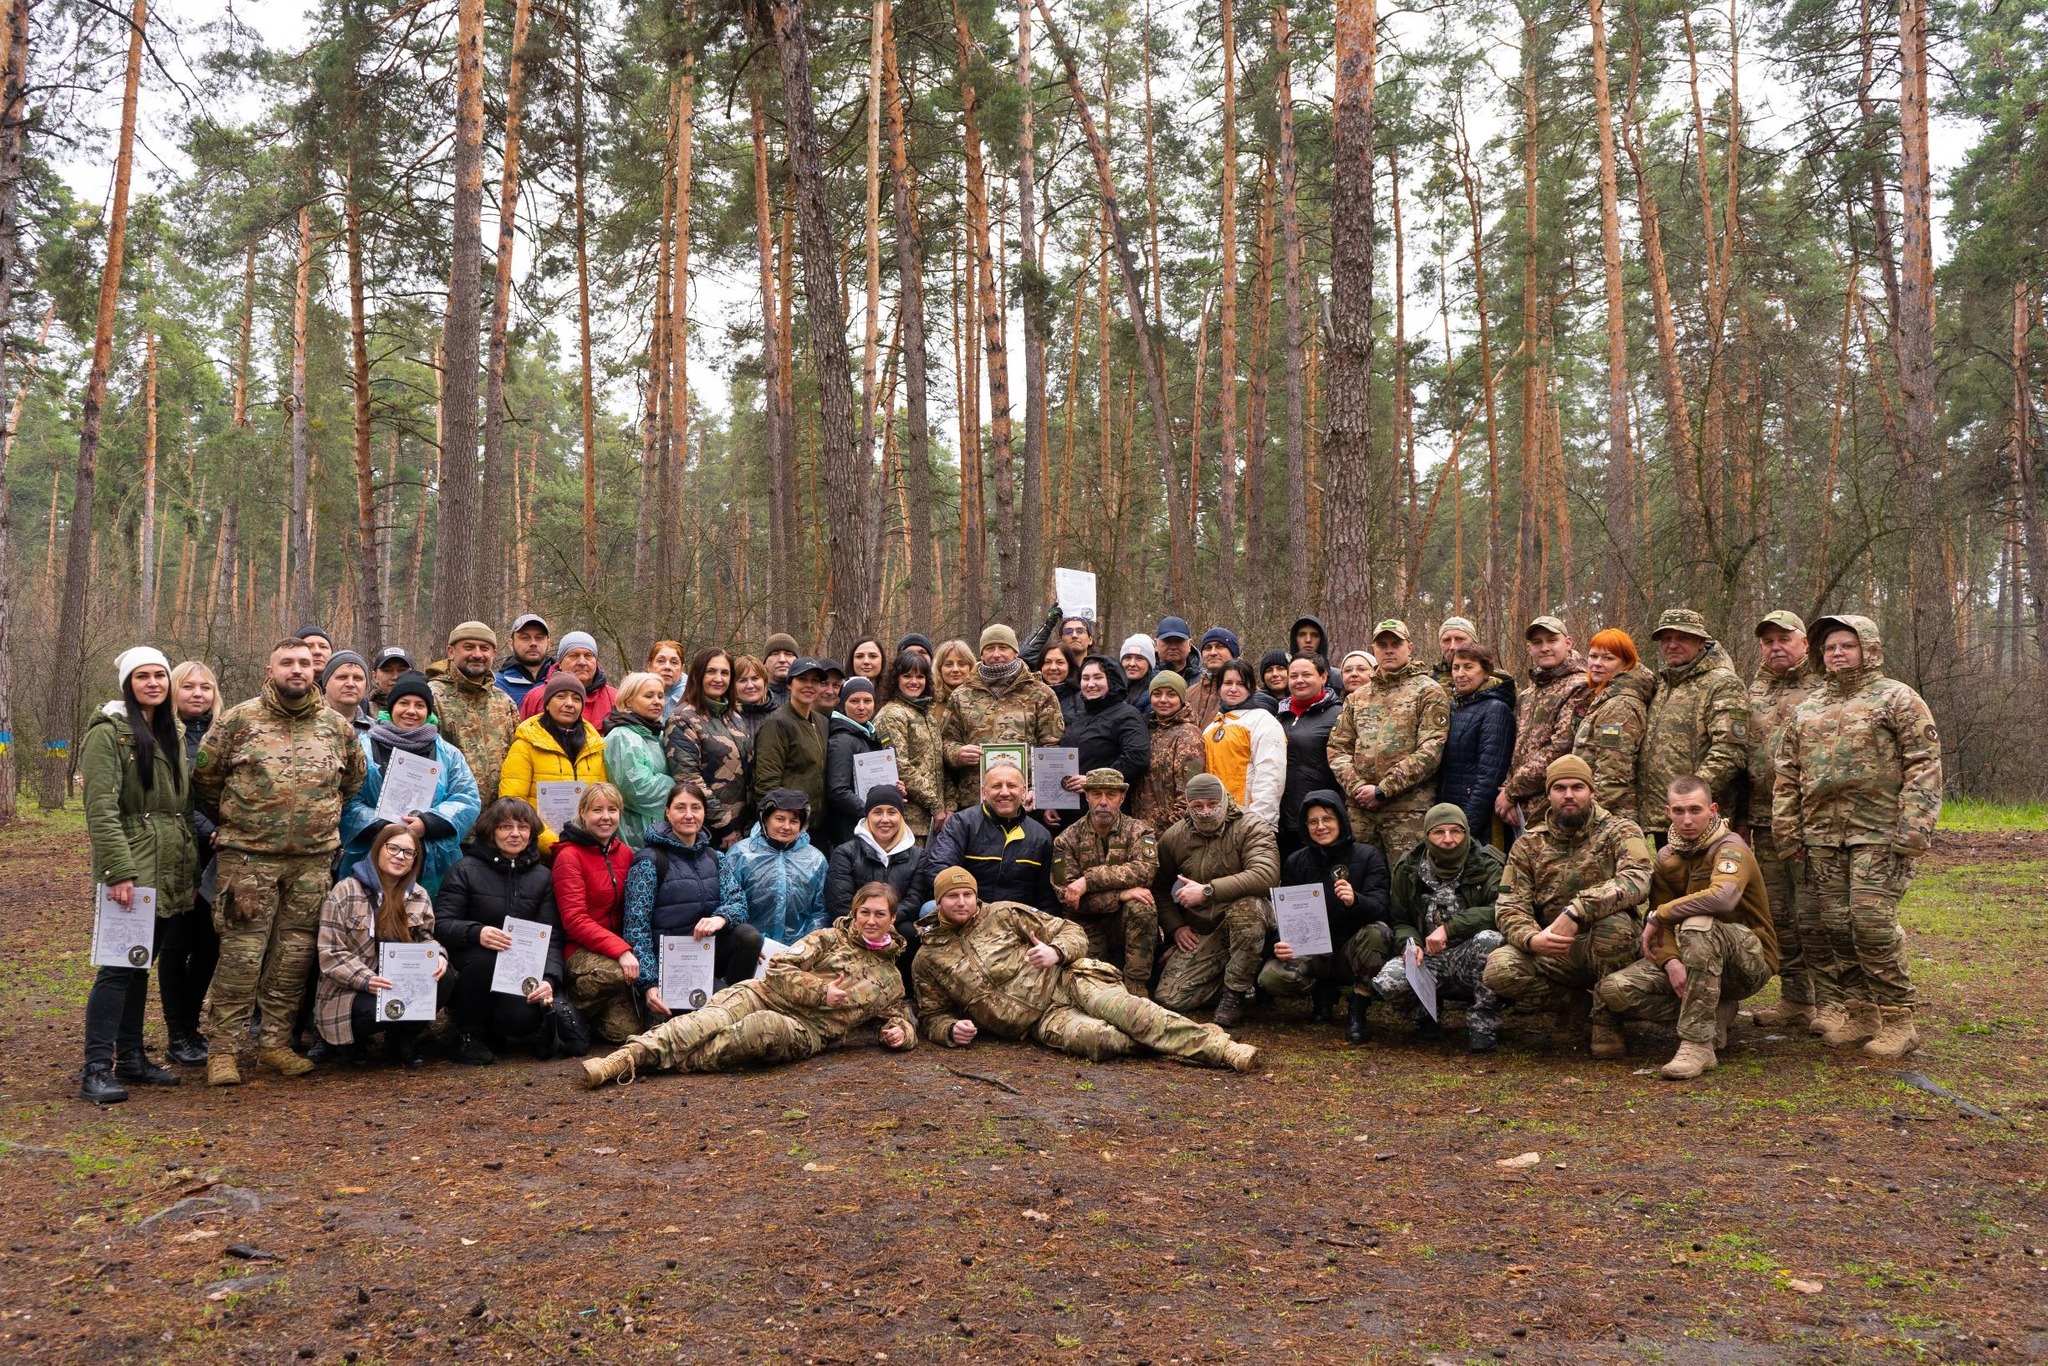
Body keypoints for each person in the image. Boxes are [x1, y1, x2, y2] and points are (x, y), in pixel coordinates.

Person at [193, 637, 368, 1086]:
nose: (297, 670)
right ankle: (223, 1051)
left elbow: (351, 783)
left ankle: (274, 1044)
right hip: (249, 862)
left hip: (312, 864)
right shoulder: (239, 721)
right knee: (241, 956)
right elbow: (206, 781)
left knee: (294, 956)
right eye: (287, 663)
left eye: (305, 664)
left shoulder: (336, 727)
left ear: (316, 672)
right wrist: (247, 825)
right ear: (269, 670)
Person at [1772, 614, 1942, 1059]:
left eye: (1847, 645)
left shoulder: (1897, 698)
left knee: (1870, 922)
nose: (1838, 653)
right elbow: (1787, 775)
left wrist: (1914, 828)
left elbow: (1923, 764)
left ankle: (1898, 1017)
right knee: (1834, 926)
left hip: (1880, 832)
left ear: (1868, 647)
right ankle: (1861, 1010)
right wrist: (1787, 831)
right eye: (1830, 647)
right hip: (1822, 836)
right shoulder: (1809, 708)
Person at [913, 867, 1258, 1071]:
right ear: (938, 901)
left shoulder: (1004, 913)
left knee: (1134, 1014)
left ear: (976, 897)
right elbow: (931, 1014)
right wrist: (949, 1029)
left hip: (1069, 980)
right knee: (1103, 1041)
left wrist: (1055, 951)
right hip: (1040, 1022)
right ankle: (1185, 1035)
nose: (961, 902)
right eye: (952, 896)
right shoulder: (928, 959)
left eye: (967, 895)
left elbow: (1070, 930)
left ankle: (1222, 1050)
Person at [580, 881, 917, 1087]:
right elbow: (779, 969)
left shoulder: (890, 978)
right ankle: (623, 1060)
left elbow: (897, 1017)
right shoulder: (828, 939)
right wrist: (821, 991)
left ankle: (670, 1061)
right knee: (704, 1020)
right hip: (764, 994)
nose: (871, 921)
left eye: (879, 914)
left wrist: (900, 1035)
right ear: (855, 913)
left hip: (805, 1028)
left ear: (892, 919)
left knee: (760, 1030)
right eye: (865, 913)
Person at [1596, 776, 1779, 1079]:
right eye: (1679, 811)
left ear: (1713, 809)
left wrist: (1662, 913)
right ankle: (1715, 1011)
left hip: (1747, 962)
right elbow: (1661, 924)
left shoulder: (1731, 848)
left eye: (1695, 810)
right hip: (1697, 959)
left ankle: (1697, 1044)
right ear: (1668, 812)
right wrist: (1669, 961)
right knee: (1615, 990)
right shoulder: (1668, 857)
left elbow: (1722, 898)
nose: (1687, 819)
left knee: (1697, 925)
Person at [78, 647, 198, 1103]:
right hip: (133, 864)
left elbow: (180, 809)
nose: (153, 683)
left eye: (160, 676)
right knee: (115, 969)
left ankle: (130, 1058)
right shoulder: (107, 734)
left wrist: (187, 866)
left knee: (139, 964)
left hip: (170, 864)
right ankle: (95, 1068)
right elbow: (101, 811)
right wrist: (118, 872)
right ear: (128, 684)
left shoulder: (171, 731)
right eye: (143, 676)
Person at [1481, 756, 1652, 1057]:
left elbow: (1637, 880)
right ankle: (1570, 1004)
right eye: (1559, 787)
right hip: (1553, 946)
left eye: (1577, 787)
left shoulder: (1620, 831)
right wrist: (1532, 939)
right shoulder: (1527, 844)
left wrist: (1577, 910)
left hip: (1608, 944)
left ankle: (1606, 1019)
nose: (1569, 794)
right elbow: (1509, 905)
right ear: (1548, 794)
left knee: (1613, 928)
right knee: (1499, 970)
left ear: (1592, 791)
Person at [433, 798, 565, 1064]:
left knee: (521, 1021)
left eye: (523, 827)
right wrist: (476, 933)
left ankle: (493, 1030)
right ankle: (467, 1034)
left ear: (532, 833)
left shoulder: (542, 877)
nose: (515, 834)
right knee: (485, 960)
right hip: (472, 964)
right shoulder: (464, 870)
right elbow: (441, 924)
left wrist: (549, 979)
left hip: (518, 969)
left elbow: (551, 936)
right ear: (491, 830)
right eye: (506, 827)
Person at [1744, 611, 1827, 1031]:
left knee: (1817, 913)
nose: (1776, 646)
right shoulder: (1752, 692)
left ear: (1804, 643)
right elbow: (1742, 760)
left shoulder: (1825, 688)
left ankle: (1834, 1003)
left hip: (1813, 823)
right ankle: (1797, 998)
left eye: (1784, 638)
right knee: (1779, 914)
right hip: (1763, 822)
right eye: (1768, 640)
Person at [623, 780, 769, 1015]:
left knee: (749, 937)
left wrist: (720, 918)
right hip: (673, 966)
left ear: (704, 813)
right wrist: (648, 984)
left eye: (696, 808)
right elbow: (635, 927)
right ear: (667, 813)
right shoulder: (650, 861)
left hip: (707, 955)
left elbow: (738, 901)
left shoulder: (714, 856)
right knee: (729, 1004)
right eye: (680, 808)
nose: (689, 815)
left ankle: (728, 1002)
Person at [1373, 803, 1507, 1052]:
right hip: (1429, 958)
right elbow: (1401, 919)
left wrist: (1450, 928)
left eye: (1456, 831)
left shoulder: (1487, 863)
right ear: (1426, 835)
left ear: (1467, 832)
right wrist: (1410, 945)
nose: (1448, 839)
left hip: (1471, 957)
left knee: (1491, 940)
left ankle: (1483, 1026)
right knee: (1388, 980)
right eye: (1439, 832)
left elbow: (1500, 909)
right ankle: (1426, 1015)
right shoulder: (1409, 867)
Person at [313, 823, 446, 1068]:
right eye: (393, 848)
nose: (400, 857)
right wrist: (367, 980)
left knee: (447, 979)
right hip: (351, 989)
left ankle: (401, 1040)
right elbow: (330, 953)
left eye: (408, 853)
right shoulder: (345, 891)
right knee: (368, 1011)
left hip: (399, 983)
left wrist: (437, 955)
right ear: (378, 849)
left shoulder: (419, 895)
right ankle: (353, 1042)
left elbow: (426, 937)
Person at [1259, 789, 1390, 1038]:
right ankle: (1322, 993)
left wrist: (1355, 901)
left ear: (1341, 819)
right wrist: (1279, 944)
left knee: (1378, 933)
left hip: (1352, 951)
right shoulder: (1296, 861)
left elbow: (1382, 908)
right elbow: (1284, 915)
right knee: (1271, 977)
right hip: (1314, 951)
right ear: (1305, 826)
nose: (1321, 826)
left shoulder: (1367, 855)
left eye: (1327, 818)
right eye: (1313, 821)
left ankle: (1358, 1007)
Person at [1153, 773, 1281, 1025]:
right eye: (1197, 806)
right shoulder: (1174, 837)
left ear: (1224, 799)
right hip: (1208, 928)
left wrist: (1207, 891)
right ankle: (1244, 977)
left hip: (1250, 918)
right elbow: (1158, 888)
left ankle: (1235, 993)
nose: (1206, 812)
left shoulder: (1252, 826)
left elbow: (1266, 875)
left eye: (1212, 804)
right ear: (1188, 806)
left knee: (1246, 909)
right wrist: (1175, 926)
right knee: (1170, 998)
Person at [339, 670, 482, 895]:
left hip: (431, 857)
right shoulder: (362, 748)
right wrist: (382, 825)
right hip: (371, 849)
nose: (411, 711)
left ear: (428, 711)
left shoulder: (449, 754)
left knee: (421, 918)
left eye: (420, 705)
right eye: (404, 703)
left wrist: (429, 823)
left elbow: (467, 797)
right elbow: (347, 797)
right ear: (391, 708)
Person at [1326, 620, 1450, 859]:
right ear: (1374, 649)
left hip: (1407, 811)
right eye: (1382, 644)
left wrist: (1383, 790)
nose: (1389, 649)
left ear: (1409, 647)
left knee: (1407, 884)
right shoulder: (1358, 697)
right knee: (1362, 882)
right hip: (1361, 810)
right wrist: (1358, 787)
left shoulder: (1428, 691)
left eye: (1396, 643)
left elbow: (1432, 749)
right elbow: (1337, 747)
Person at [1636, 607, 1748, 842]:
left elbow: (1730, 751)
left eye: (1682, 637)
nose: (1672, 644)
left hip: (1700, 819)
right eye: (1666, 639)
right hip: (1664, 818)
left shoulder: (1723, 683)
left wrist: (1691, 800)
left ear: (1701, 642)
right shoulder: (1665, 685)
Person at [1050, 768, 1161, 996]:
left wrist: (1088, 881)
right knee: (1094, 989)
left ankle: (1137, 986)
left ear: (1122, 798)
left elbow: (1145, 871)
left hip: (1123, 922)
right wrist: (1119, 895)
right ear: (1086, 796)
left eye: (1110, 795)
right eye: (1096, 794)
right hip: (1086, 923)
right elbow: (1068, 897)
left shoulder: (1141, 832)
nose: (1103, 802)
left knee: (1142, 906)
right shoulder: (1066, 840)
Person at [162, 659, 222, 1067]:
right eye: (188, 687)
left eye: (205, 687)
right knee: (177, 944)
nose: (198, 693)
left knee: (210, 943)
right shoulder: (164, 736)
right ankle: (177, 1031)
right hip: (182, 852)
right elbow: (179, 799)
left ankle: (192, 1025)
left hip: (221, 855)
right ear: (173, 692)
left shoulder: (224, 733)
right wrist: (211, 830)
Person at [940, 624, 1066, 811]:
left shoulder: (1040, 693)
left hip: (1026, 801)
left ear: (1015, 652)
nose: (996, 654)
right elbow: (945, 742)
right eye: (990, 648)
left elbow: (1052, 748)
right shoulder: (961, 695)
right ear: (981, 654)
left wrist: (1043, 793)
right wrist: (957, 753)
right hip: (974, 803)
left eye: (1003, 648)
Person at [554, 783, 642, 1044]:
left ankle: (594, 1012)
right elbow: (574, 920)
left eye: (612, 810)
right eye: (597, 810)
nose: (606, 817)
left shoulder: (624, 853)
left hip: (615, 952)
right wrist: (621, 950)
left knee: (626, 1033)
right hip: (580, 951)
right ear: (583, 813)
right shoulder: (569, 856)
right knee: (615, 973)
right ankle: (572, 1002)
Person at [911, 760, 1056, 912]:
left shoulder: (1041, 836)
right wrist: (970, 904)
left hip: (1018, 916)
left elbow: (1046, 895)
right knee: (929, 908)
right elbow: (939, 870)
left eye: (1012, 786)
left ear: (1024, 791)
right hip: (970, 913)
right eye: (996, 786)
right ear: (984, 792)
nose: (1005, 792)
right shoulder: (962, 824)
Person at [826, 788, 924, 995]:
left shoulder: (918, 856)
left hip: (895, 924)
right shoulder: (846, 853)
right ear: (867, 816)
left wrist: (884, 921)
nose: (885, 819)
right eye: (877, 812)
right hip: (854, 925)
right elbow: (840, 902)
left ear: (901, 816)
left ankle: (904, 995)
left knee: (910, 933)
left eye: (892, 812)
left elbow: (915, 899)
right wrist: (867, 921)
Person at [498, 673, 608, 853]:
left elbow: (603, 798)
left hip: (588, 846)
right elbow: (512, 803)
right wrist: (554, 843)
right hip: (537, 850)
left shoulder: (595, 746)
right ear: (547, 704)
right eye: (561, 696)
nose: (569, 703)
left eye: (576, 699)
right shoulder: (525, 745)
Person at [1497, 617, 1587, 833]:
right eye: (1537, 643)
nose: (1545, 648)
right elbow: (1514, 749)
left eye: (1551, 640)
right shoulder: (1528, 694)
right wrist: (1509, 792)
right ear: (1529, 648)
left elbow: (1561, 749)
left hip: (1557, 807)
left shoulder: (1581, 687)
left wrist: (1511, 792)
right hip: (1522, 809)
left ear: (1568, 642)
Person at [664, 647, 755, 849]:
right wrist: (724, 824)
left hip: (743, 826)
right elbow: (688, 778)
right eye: (711, 671)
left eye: (725, 673)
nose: (718, 678)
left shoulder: (735, 718)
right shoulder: (682, 718)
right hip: (708, 829)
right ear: (697, 675)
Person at [719, 789, 831, 945]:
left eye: (794, 821)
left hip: (800, 951)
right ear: (765, 819)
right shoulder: (741, 855)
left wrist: (808, 945)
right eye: (780, 819)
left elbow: (821, 910)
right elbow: (729, 904)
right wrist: (746, 942)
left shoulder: (815, 859)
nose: (786, 826)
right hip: (750, 949)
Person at [432, 621, 520, 804]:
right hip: (449, 816)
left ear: (494, 653)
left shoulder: (505, 703)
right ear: (451, 651)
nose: (477, 654)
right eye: (469, 647)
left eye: (484, 648)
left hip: (498, 822)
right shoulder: (432, 698)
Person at [1055, 656, 1152, 823]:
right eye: (1085, 678)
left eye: (1098, 677)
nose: (1090, 684)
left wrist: (1095, 780)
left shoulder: (1127, 715)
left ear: (1112, 680)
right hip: (1068, 815)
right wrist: (1050, 803)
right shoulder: (1075, 718)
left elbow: (1137, 757)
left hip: (1106, 812)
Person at [1573, 629, 1654, 822]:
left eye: (1608, 658)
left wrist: (1588, 815)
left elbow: (1613, 774)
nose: (1597, 664)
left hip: (1610, 818)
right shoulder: (1603, 696)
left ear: (1626, 664)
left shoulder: (1620, 706)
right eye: (1593, 656)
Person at [1439, 643, 1517, 841]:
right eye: (1456, 668)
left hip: (1478, 820)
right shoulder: (1455, 707)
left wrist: (1466, 829)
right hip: (1450, 811)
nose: (1460, 674)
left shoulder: (1495, 709)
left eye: (1468, 667)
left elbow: (1488, 776)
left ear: (1486, 672)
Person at [1274, 654, 1344, 853]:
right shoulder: (1279, 715)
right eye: (1293, 676)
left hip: (1321, 815)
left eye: (1306, 674)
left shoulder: (1337, 715)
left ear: (1323, 677)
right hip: (1283, 815)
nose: (1299, 680)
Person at [1202, 659, 1285, 826]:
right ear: (1219, 688)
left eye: (1240, 683)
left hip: (1248, 820)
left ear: (1251, 688)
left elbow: (1271, 774)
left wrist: (1259, 822)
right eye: (1227, 683)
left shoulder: (1262, 720)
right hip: (1215, 821)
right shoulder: (1211, 727)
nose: (1233, 689)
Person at [874, 650, 946, 837]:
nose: (914, 682)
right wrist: (935, 804)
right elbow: (899, 765)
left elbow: (938, 763)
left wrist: (947, 805)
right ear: (896, 679)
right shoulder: (892, 714)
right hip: (908, 821)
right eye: (907, 676)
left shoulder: (925, 714)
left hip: (933, 820)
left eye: (920, 676)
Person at [602, 672, 672, 847]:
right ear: (628, 701)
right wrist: (679, 786)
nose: (657, 701)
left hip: (660, 827)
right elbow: (637, 789)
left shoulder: (657, 734)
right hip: (635, 833)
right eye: (649, 696)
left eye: (661, 696)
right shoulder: (622, 736)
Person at [822, 676, 891, 849]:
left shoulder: (870, 736)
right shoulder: (842, 741)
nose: (861, 707)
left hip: (870, 827)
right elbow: (838, 791)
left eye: (867, 701)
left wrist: (893, 790)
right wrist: (873, 809)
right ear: (843, 703)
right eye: (854, 701)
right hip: (850, 832)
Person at [753, 657, 829, 810]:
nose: (809, 685)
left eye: (815, 680)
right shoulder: (776, 723)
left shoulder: (822, 722)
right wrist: (783, 820)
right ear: (789, 684)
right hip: (790, 820)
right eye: (802, 679)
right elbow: (767, 784)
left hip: (819, 821)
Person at [1134, 671, 1205, 829]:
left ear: (1181, 698)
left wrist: (1167, 829)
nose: (1163, 700)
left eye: (1171, 694)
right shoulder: (1147, 730)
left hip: (1169, 833)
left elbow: (1190, 793)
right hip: (1142, 830)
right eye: (1157, 694)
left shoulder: (1188, 735)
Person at [519, 631, 616, 726]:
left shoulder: (615, 698)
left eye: (588, 656)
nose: (582, 662)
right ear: (560, 663)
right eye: (574, 656)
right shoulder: (536, 697)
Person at [1185, 627, 1241, 728]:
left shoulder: (1247, 693)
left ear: (1233, 653)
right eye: (1208, 648)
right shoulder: (1189, 694)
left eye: (1220, 647)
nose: (1213, 652)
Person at [496, 612, 554, 709]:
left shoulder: (563, 682)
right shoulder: (496, 685)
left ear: (549, 644)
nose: (533, 643)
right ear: (511, 644)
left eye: (539, 638)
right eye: (525, 638)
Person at [730, 654, 777, 744]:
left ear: (765, 682)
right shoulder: (726, 718)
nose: (750, 686)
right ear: (733, 686)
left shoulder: (779, 717)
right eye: (742, 680)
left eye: (755, 678)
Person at [321, 650, 373, 732]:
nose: (350, 684)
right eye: (342, 677)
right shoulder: (304, 725)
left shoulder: (377, 732)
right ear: (326, 683)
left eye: (357, 678)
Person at [646, 639, 688, 722]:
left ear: (681, 669)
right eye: (661, 661)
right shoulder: (634, 695)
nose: (667, 667)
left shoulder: (693, 698)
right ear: (649, 666)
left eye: (674, 662)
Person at [1119, 634, 1157, 716]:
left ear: (1149, 664)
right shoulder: (1109, 688)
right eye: (1127, 657)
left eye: (1139, 658)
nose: (1132, 664)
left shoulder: (1156, 694)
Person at [1037, 643, 1080, 715]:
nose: (1053, 667)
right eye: (1047, 662)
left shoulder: (1080, 697)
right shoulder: (1029, 696)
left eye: (1060, 662)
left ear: (1069, 666)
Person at [932, 637, 977, 705]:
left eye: (961, 664)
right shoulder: (929, 701)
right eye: (948, 664)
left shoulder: (982, 700)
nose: (955, 669)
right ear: (939, 669)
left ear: (971, 667)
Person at [370, 646, 414, 713]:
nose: (395, 677)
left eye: (402, 671)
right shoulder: (363, 712)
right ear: (375, 676)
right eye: (387, 670)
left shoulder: (424, 712)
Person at [762, 632, 801, 707]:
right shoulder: (754, 694)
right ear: (764, 663)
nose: (782, 660)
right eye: (775, 654)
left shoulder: (808, 695)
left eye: (789, 654)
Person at [1153, 616, 1196, 684]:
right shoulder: (1143, 679)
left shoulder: (1203, 680)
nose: (1173, 647)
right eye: (1167, 641)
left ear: (1189, 645)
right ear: (1156, 644)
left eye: (1178, 641)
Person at [1254, 649, 1293, 713]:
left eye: (1281, 669)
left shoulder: (1303, 702)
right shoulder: (1255, 705)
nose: (1274, 674)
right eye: (1269, 670)